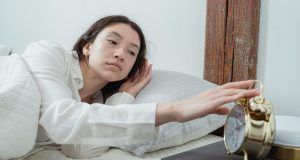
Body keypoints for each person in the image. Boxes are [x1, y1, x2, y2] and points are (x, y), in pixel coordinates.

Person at [22, 15, 259, 158]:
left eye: (131, 52)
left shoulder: (98, 103)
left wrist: (123, 98)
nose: (120, 54)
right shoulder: (47, 53)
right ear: (87, 47)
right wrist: (173, 110)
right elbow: (61, 119)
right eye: (113, 41)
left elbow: (80, 152)